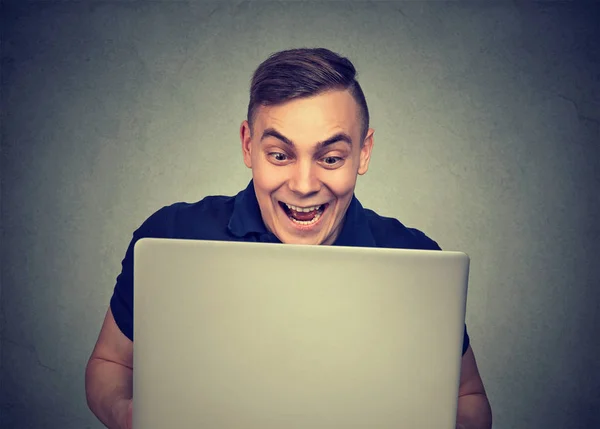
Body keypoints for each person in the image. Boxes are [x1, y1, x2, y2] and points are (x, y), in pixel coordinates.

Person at [85, 48, 492, 429]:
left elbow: (469, 396)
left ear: (363, 153)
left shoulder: (416, 260)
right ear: (249, 145)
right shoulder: (171, 235)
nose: (303, 185)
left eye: (330, 158)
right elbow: (111, 364)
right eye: (280, 155)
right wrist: (129, 416)